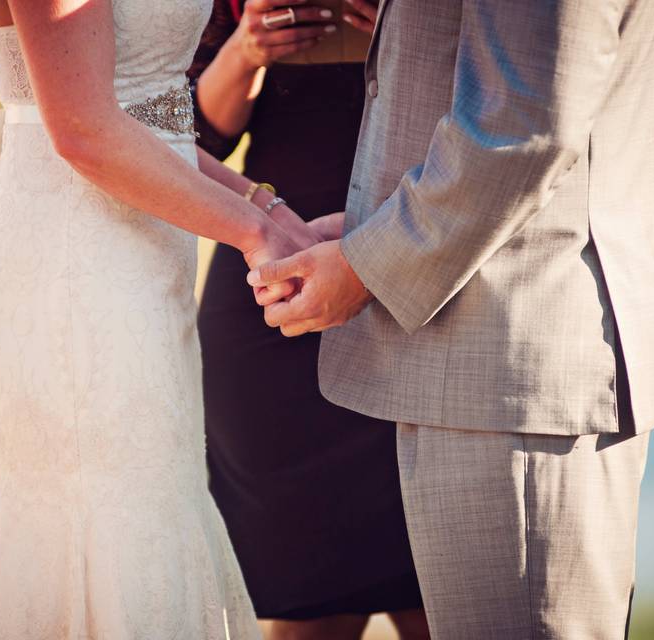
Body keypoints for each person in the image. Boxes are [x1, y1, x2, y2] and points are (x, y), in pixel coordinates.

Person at [0, 0, 329, 637]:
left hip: (133, 261)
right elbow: (84, 132)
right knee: (107, 521)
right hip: (73, 272)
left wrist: (270, 214)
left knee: (146, 514)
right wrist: (252, 235)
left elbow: (147, 124)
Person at [251, 0, 654, 637]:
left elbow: (524, 119)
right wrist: (370, 231)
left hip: (516, 364)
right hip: (491, 357)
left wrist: (366, 264)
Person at [189, 1, 427, 638]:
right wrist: (246, 48)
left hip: (428, 279)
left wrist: (414, 42)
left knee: (443, 603)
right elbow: (192, 138)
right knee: (306, 611)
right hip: (278, 289)